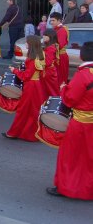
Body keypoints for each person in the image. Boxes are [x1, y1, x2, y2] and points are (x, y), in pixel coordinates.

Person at [47, 42, 93, 200]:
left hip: (80, 123)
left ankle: (67, 187)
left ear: (81, 56)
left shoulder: (83, 75)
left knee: (70, 156)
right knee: (89, 157)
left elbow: (69, 99)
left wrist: (63, 88)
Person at [3, 35, 46, 141]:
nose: (26, 44)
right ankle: (31, 133)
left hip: (31, 86)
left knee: (23, 110)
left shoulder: (32, 59)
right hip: (36, 85)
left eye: (27, 42)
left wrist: (15, 71)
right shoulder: (40, 55)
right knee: (33, 111)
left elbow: (26, 76)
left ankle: (14, 132)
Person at [50, 12, 69, 85]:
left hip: (60, 57)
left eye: (53, 20)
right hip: (56, 56)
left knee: (60, 78)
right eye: (51, 21)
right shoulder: (56, 29)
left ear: (59, 20)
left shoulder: (62, 30)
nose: (51, 22)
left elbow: (59, 45)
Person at [42, 29, 60, 97]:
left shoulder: (50, 48)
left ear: (50, 37)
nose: (43, 37)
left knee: (51, 90)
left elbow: (47, 62)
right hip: (50, 70)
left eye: (45, 35)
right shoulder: (53, 46)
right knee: (51, 89)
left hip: (48, 71)